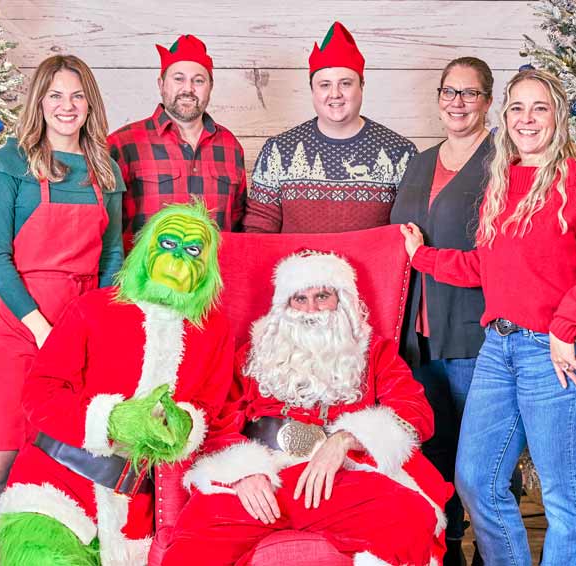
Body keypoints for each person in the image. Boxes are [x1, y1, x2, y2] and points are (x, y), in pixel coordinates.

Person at [401, 68, 576, 566]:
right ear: (505, 117)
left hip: (559, 353)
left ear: (558, 116)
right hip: (499, 347)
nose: (527, 119)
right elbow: (489, 267)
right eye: (518, 109)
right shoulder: (503, 179)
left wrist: (566, 327)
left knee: (564, 496)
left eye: (539, 108)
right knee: (475, 480)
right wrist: (422, 258)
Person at [162, 251, 452, 566]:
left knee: (409, 515)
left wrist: (345, 439)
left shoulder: (374, 352)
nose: (311, 310)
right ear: (284, 306)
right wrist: (242, 472)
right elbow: (219, 421)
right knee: (192, 544)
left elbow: (414, 412)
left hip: (343, 481)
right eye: (300, 299)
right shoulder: (253, 355)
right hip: (267, 480)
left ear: (342, 301)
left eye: (322, 297)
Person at [0, 203, 235, 566]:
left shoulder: (214, 330)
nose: (178, 258)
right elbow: (39, 394)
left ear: (207, 266)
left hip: (134, 513)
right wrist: (112, 420)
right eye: (168, 244)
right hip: (54, 487)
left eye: (193, 250)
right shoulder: (93, 308)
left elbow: (212, 409)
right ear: (146, 250)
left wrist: (185, 425)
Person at [0, 54, 124, 566]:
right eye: (55, 95)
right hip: (22, 328)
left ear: (90, 104)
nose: (66, 106)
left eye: (77, 96)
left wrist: (100, 329)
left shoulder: (105, 170)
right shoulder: (12, 163)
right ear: (40, 102)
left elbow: (112, 257)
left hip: (83, 330)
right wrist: (39, 326)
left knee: (64, 463)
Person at [391, 56, 518, 566]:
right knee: (435, 456)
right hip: (419, 338)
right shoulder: (419, 162)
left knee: (486, 467)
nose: (457, 102)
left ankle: (494, 556)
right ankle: (446, 553)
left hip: (475, 337)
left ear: (488, 102)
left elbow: (500, 259)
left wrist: (423, 256)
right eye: (449, 92)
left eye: (470, 93)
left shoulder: (503, 162)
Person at [243, 22, 417, 233]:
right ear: (312, 90)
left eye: (345, 83)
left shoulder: (400, 152)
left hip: (373, 257)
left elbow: (410, 229)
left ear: (361, 86)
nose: (335, 94)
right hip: (295, 256)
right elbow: (259, 225)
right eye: (325, 85)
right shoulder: (278, 150)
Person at [108, 34, 247, 251]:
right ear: (161, 84)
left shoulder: (230, 146)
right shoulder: (122, 144)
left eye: (198, 80)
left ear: (210, 86)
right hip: (146, 271)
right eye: (179, 79)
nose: (188, 89)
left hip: (216, 270)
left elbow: (239, 221)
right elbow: (105, 226)